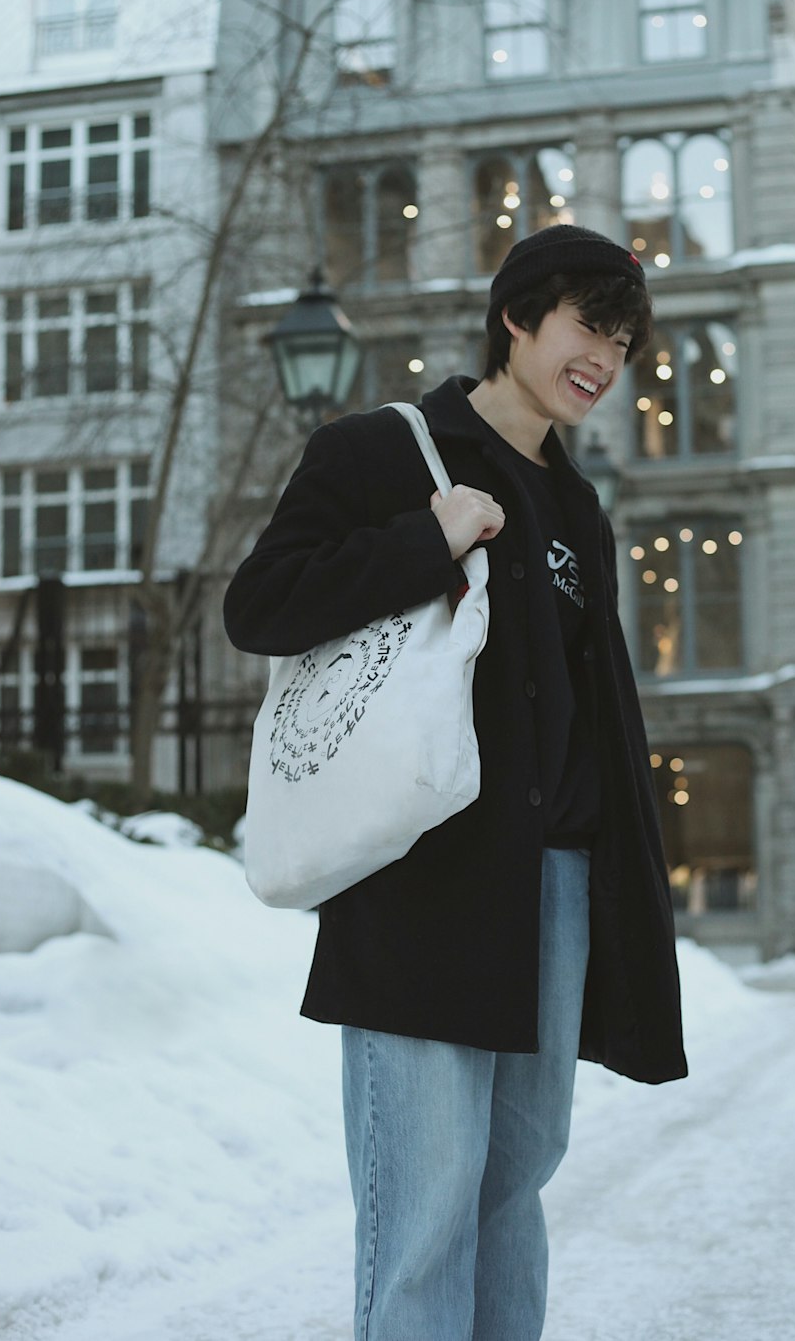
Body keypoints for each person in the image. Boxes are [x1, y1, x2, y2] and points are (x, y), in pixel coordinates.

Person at [223, 223, 687, 1341]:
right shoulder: (380, 451)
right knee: (424, 1212)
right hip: (421, 886)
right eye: (588, 327)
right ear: (516, 316)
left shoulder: (579, 504)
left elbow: (592, 716)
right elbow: (260, 606)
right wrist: (425, 537)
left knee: (510, 1194)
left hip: (556, 885)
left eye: (623, 343)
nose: (604, 360)